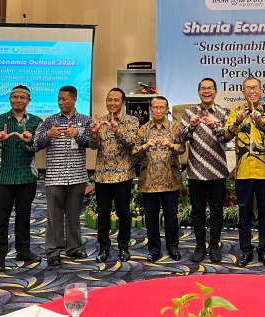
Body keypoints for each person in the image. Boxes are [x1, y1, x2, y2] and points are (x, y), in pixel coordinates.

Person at [0, 85, 43, 272]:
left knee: (24, 217)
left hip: (27, 177)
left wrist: (30, 141)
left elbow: (40, 144)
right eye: (15, 97)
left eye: (23, 97)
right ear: (10, 99)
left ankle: (23, 251)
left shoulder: (36, 122)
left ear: (28, 101)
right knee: (0, 218)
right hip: (3, 178)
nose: (18, 100)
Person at [225, 76, 265, 268]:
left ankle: (264, 251)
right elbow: (225, 135)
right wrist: (237, 122)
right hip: (243, 172)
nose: (252, 91)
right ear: (243, 92)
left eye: (255, 88)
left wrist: (260, 121)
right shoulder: (236, 110)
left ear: (261, 91)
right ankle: (246, 250)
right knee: (244, 213)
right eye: (248, 88)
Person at [34, 85, 92, 268]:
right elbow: (36, 144)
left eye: (64, 99)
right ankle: (53, 251)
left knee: (74, 215)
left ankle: (74, 248)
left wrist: (77, 135)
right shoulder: (50, 120)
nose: (60, 102)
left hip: (77, 176)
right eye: (59, 99)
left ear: (74, 99)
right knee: (54, 216)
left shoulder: (85, 120)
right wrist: (48, 135)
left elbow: (92, 142)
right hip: (54, 176)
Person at [177, 78, 229, 264]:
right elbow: (180, 137)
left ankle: (214, 245)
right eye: (203, 88)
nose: (207, 91)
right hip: (196, 170)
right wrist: (191, 125)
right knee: (197, 211)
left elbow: (227, 137)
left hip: (218, 170)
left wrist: (216, 125)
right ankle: (200, 246)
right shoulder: (189, 112)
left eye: (210, 88)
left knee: (216, 211)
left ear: (215, 91)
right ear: (198, 91)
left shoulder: (224, 112)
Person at [89, 87, 139, 263]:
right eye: (109, 99)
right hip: (102, 175)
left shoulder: (132, 121)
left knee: (124, 214)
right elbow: (93, 146)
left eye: (116, 100)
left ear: (123, 103)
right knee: (102, 215)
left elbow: (131, 143)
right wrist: (94, 133)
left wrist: (117, 130)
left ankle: (123, 247)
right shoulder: (99, 121)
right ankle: (104, 248)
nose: (112, 103)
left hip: (123, 175)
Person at [133, 96, 184, 262]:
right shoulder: (143, 129)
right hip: (149, 181)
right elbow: (134, 152)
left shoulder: (175, 127)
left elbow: (182, 149)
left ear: (167, 109)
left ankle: (173, 247)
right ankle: (154, 249)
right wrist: (145, 146)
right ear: (150, 109)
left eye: (162, 107)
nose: (158, 110)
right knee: (151, 218)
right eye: (155, 107)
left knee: (171, 217)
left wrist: (171, 145)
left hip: (170, 181)